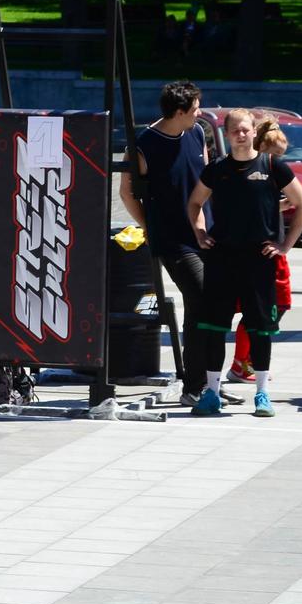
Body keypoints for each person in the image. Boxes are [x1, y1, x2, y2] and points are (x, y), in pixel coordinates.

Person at [186, 107, 302, 417]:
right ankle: (212, 393)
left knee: (260, 328)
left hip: (259, 259)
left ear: (254, 132)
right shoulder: (217, 169)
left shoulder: (272, 165)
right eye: (235, 130)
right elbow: (195, 202)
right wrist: (201, 233)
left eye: (245, 129)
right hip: (222, 257)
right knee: (215, 327)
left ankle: (262, 393)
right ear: (226, 135)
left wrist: (284, 246)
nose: (241, 134)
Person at [119, 81, 235, 406]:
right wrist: (150, 226)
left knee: (209, 306)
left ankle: (209, 381)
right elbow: (126, 192)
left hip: (206, 233)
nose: (201, 112)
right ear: (180, 111)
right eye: (196, 108)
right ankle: (195, 386)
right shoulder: (143, 145)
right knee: (201, 297)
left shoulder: (197, 132)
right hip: (173, 240)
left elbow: (206, 180)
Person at [228, 120, 295, 384]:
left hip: (275, 250)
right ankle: (241, 361)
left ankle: (249, 358)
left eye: (282, 155)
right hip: (258, 251)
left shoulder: (274, 175)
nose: (280, 161)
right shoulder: (255, 173)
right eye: (276, 155)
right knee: (258, 309)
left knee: (278, 305)